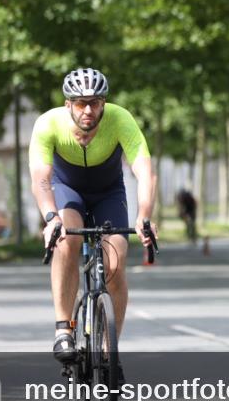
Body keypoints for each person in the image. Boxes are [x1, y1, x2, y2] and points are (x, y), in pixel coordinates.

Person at [28, 67, 158, 364]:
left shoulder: (120, 119)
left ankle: (109, 350)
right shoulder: (48, 124)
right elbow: (41, 179)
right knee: (66, 240)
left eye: (96, 102)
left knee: (117, 258)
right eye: (80, 103)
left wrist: (145, 216)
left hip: (108, 192)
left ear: (104, 103)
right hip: (66, 189)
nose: (88, 110)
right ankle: (64, 328)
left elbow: (145, 171)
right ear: (68, 105)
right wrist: (51, 218)